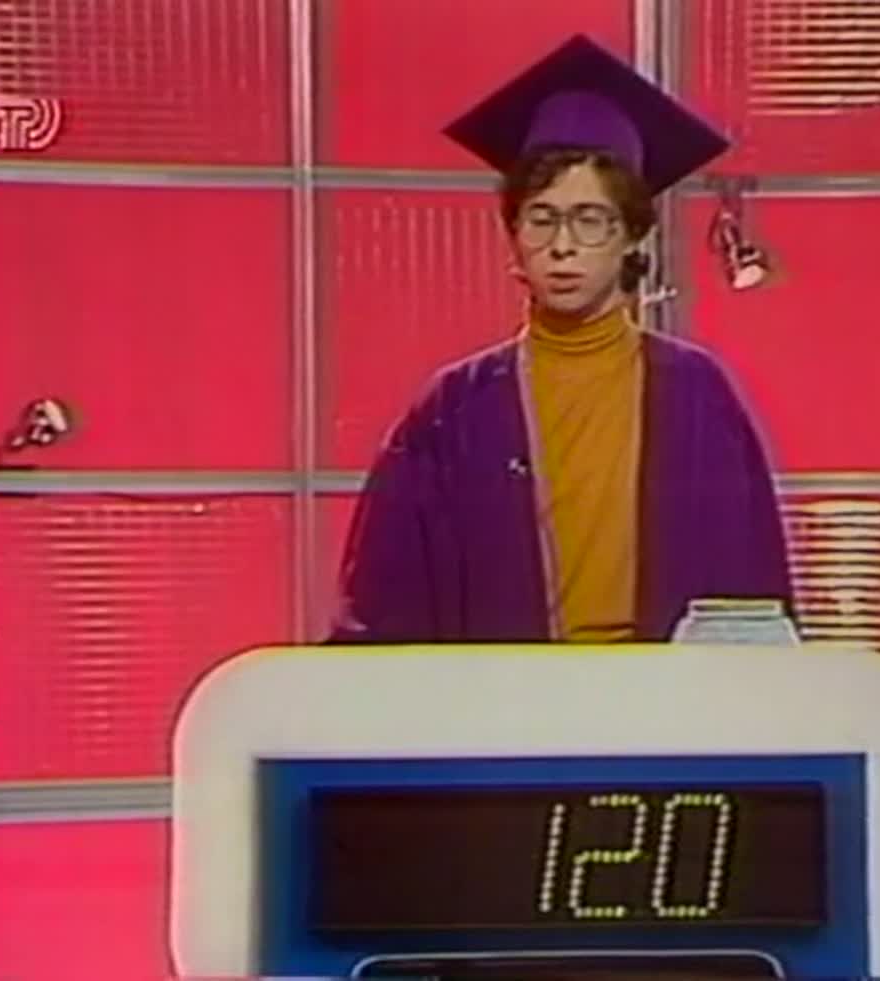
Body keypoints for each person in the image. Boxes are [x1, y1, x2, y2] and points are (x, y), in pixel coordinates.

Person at [328, 35, 792, 645]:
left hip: (666, 696)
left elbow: (751, 595)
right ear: (514, 236)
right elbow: (387, 606)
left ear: (631, 237)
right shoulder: (453, 407)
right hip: (504, 697)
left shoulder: (697, 394)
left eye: (590, 220)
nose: (563, 246)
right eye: (541, 219)